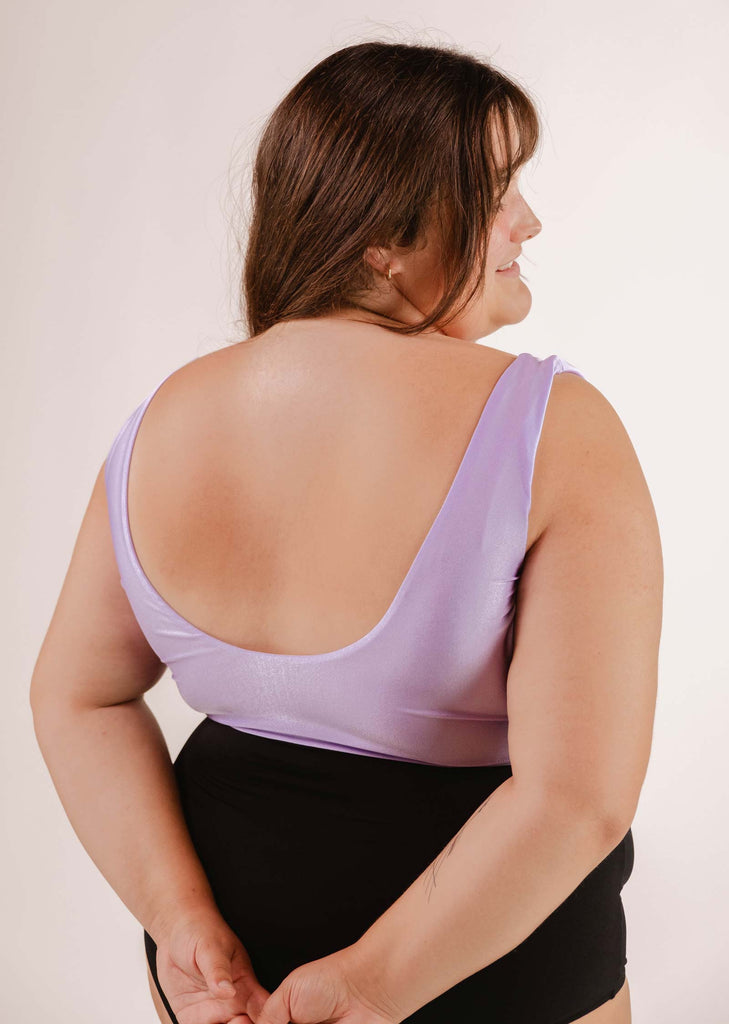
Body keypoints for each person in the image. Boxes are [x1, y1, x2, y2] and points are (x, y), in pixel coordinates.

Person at [29, 40, 661, 1024]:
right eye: (494, 190)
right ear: (382, 243)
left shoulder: (166, 418)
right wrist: (370, 988)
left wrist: (183, 924)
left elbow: (77, 697)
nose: (527, 221)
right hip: (495, 969)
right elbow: (579, 799)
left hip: (228, 976)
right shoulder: (550, 422)